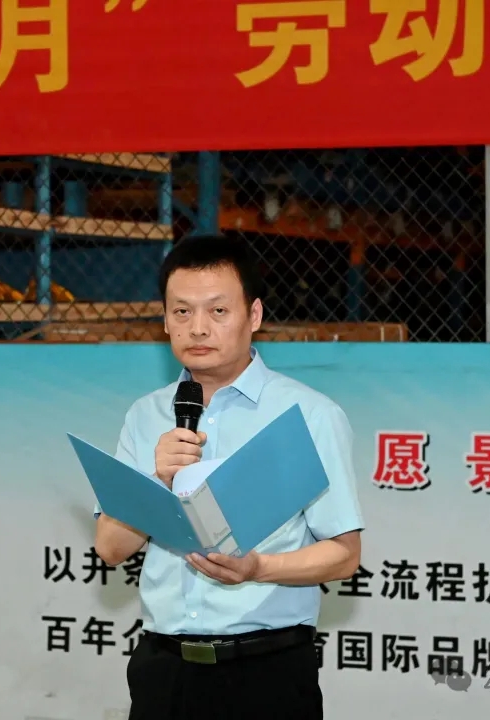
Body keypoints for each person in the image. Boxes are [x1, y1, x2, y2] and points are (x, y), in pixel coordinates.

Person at [93, 234, 364, 720]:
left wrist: (258, 568)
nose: (198, 328)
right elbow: (111, 549)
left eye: (218, 311)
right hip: (163, 671)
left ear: (253, 315)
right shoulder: (146, 415)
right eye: (181, 312)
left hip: (267, 673)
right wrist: (159, 478)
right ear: (165, 320)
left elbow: (345, 554)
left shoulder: (309, 416)